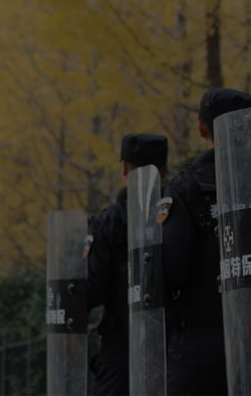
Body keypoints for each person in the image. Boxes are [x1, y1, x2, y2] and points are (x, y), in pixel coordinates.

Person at [158, 88, 251, 396]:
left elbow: (171, 269)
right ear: (250, 128)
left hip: (199, 343)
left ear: (202, 128)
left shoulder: (185, 188)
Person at [86, 133, 169, 396]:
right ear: (165, 170)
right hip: (173, 340)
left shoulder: (108, 221)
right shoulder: (175, 210)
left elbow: (93, 290)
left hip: (121, 344)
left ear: (124, 168)